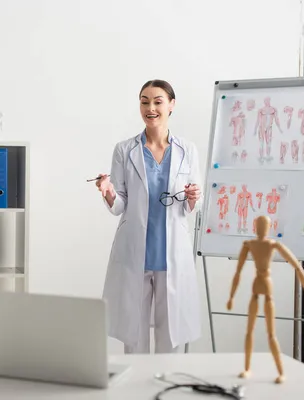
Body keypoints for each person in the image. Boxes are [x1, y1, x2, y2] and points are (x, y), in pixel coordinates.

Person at [94, 79, 203, 354]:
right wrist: (107, 191)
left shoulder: (187, 150)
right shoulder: (124, 149)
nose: (150, 108)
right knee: (134, 336)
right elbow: (120, 205)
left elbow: (193, 204)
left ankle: (166, 389)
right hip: (135, 253)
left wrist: (192, 198)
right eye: (144, 101)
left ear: (171, 105)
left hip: (171, 252)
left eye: (157, 101)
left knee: (171, 335)